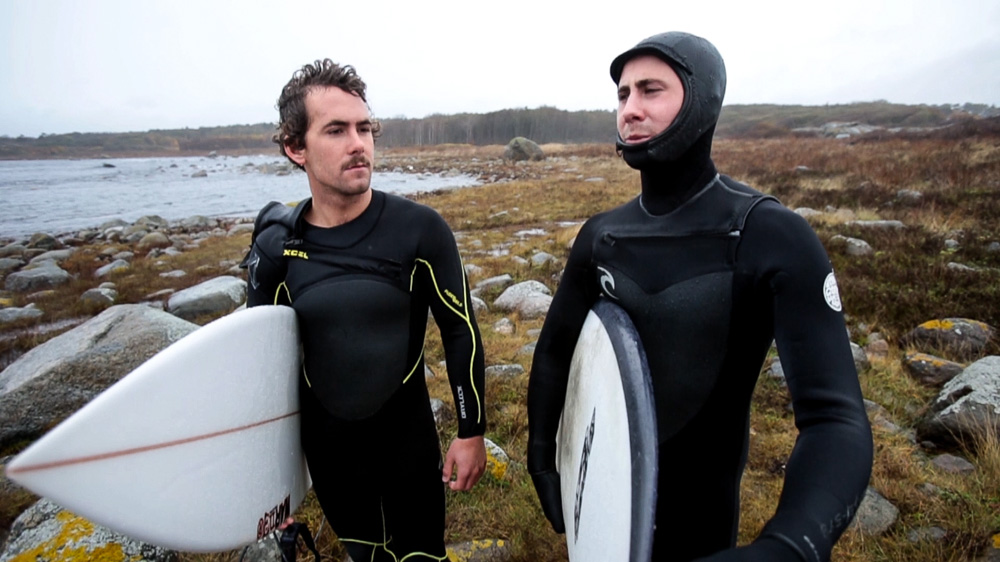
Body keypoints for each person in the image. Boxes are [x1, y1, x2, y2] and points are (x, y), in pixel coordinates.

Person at [527, 32, 873, 561]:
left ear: (701, 97)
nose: (630, 110)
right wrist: (543, 458)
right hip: (602, 519)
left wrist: (791, 544)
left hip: (705, 528)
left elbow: (835, 420)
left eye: (650, 90)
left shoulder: (767, 234)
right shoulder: (602, 237)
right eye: (622, 95)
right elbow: (555, 353)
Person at [241, 59, 487, 562]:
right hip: (331, 454)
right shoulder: (276, 247)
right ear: (296, 148)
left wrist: (471, 431)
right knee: (364, 556)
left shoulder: (419, 229)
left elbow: (460, 330)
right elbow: (260, 369)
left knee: (422, 556)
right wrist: (273, 483)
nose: (359, 143)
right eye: (336, 130)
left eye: (364, 127)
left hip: (407, 443)